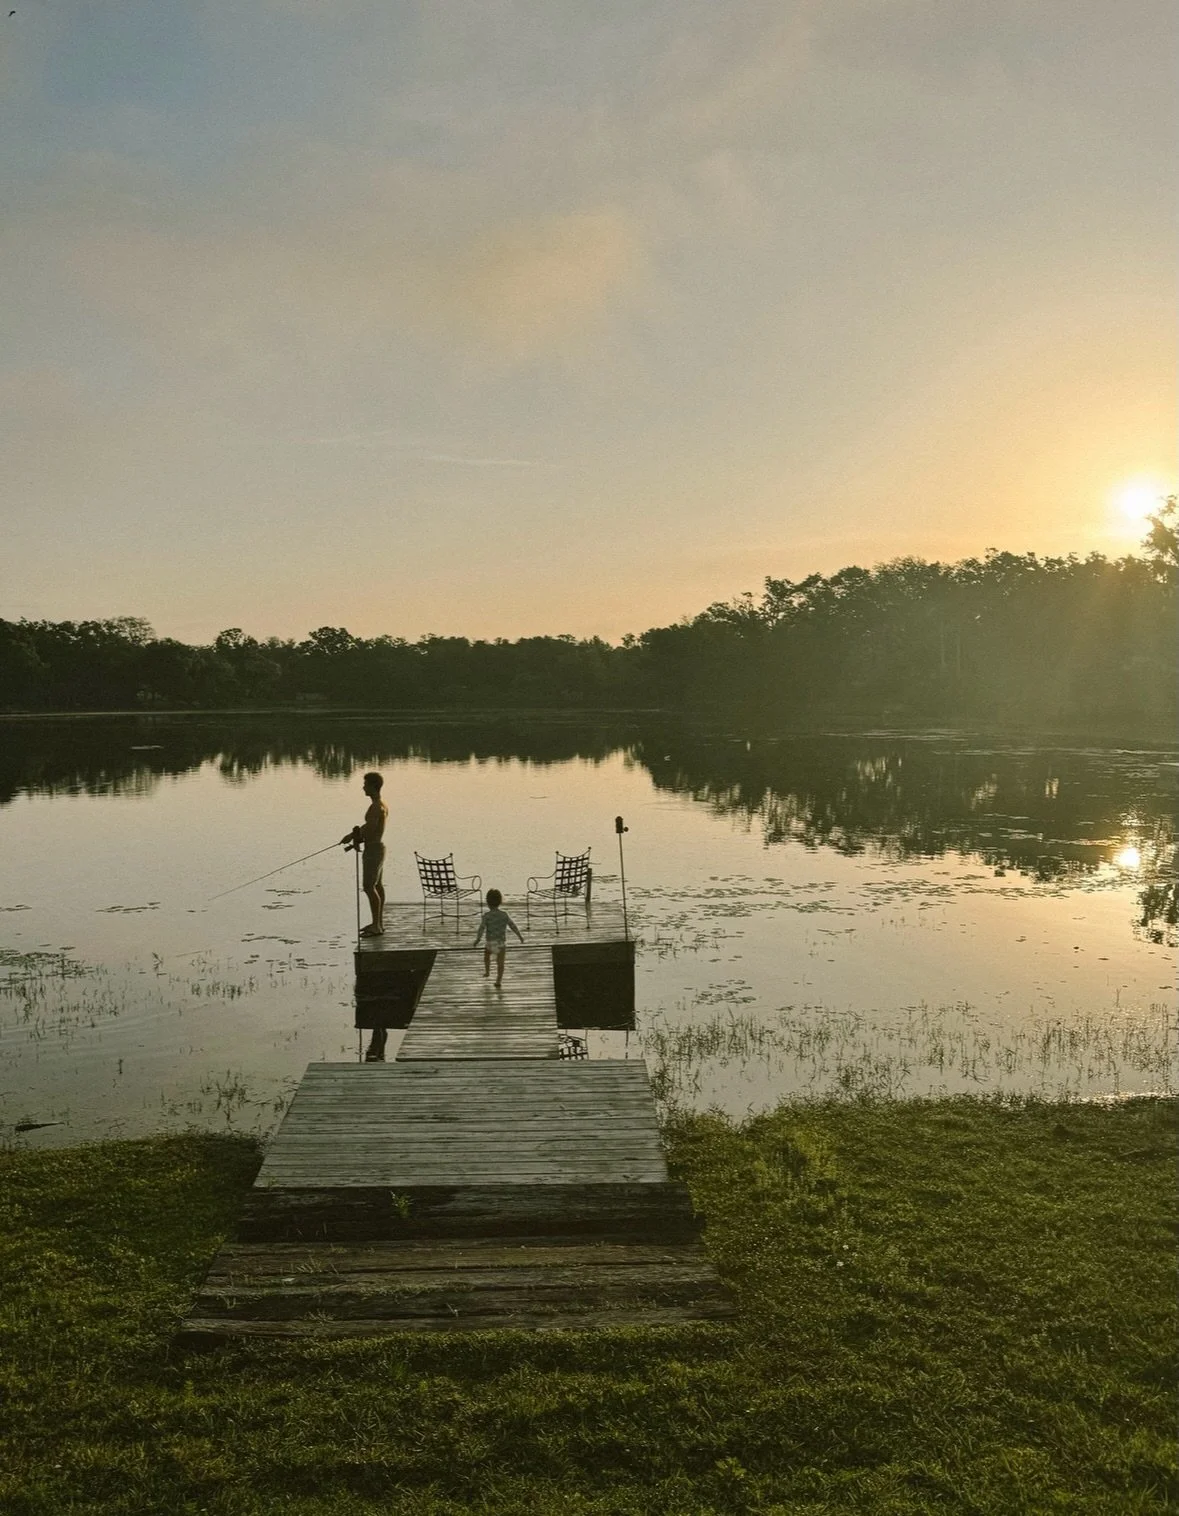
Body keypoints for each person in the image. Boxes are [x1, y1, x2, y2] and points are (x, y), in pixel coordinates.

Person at [341, 771, 387, 937]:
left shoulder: (376, 807)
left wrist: (352, 836)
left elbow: (370, 828)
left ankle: (376, 926)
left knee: (369, 887)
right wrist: (356, 839)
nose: (363, 788)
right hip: (377, 848)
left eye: (365, 785)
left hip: (373, 850)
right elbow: (371, 829)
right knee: (377, 886)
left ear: (373, 787)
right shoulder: (380, 804)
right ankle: (378, 923)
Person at [474, 888, 524, 988]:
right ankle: (498, 980)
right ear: (500, 901)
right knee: (500, 963)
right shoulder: (504, 915)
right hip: (501, 944)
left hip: (490, 943)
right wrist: (520, 936)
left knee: (486, 957)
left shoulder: (486, 916)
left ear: (487, 902)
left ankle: (487, 972)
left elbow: (481, 928)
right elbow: (512, 925)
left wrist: (478, 939)